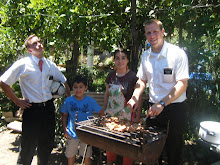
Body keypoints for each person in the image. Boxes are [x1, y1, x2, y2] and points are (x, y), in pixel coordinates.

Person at [0, 34, 71, 165]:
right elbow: (3, 82)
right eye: (34, 43)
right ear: (29, 50)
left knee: (47, 145)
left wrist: (70, 101)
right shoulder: (23, 64)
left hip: (48, 109)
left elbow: (63, 81)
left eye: (39, 42)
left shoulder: (50, 65)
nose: (39, 44)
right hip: (31, 110)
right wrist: (17, 101)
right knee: (27, 147)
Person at [128, 19, 189, 165]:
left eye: (155, 31)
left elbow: (182, 84)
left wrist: (162, 103)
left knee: (174, 152)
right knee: (152, 153)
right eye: (148, 32)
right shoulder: (145, 56)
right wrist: (135, 97)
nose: (152, 35)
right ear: (145, 35)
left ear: (162, 32)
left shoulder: (177, 54)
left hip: (175, 110)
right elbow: (142, 80)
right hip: (153, 109)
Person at [103, 49, 142, 165]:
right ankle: (110, 162)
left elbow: (139, 98)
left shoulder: (133, 77)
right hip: (111, 116)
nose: (120, 61)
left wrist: (137, 117)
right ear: (114, 60)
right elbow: (106, 94)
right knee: (110, 143)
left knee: (127, 145)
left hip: (127, 117)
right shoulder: (110, 76)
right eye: (117, 58)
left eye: (123, 58)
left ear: (128, 60)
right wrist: (104, 109)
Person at [60, 75, 104, 165]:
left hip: (86, 133)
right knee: (70, 156)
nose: (78, 90)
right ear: (72, 88)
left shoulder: (90, 101)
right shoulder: (68, 101)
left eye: (81, 87)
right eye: (75, 87)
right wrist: (65, 129)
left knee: (86, 157)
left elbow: (101, 112)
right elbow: (64, 115)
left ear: (85, 88)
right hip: (72, 133)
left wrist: (97, 126)